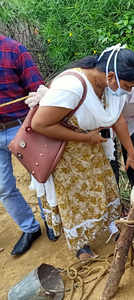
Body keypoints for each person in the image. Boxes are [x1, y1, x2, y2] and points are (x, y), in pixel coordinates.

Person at [30, 44, 134, 259]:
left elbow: (117, 118)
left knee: (103, 187)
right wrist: (85, 138)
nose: (128, 91)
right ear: (111, 76)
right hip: (66, 154)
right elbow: (40, 125)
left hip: (93, 148)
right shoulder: (71, 87)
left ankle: (112, 226)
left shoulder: (110, 87)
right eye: (128, 86)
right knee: (76, 198)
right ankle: (81, 245)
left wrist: (131, 152)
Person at [0, 35, 58, 257]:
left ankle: (52, 222)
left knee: (41, 177)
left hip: (20, 126)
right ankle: (29, 228)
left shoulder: (14, 50)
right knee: (3, 188)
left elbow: (38, 89)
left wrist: (37, 99)